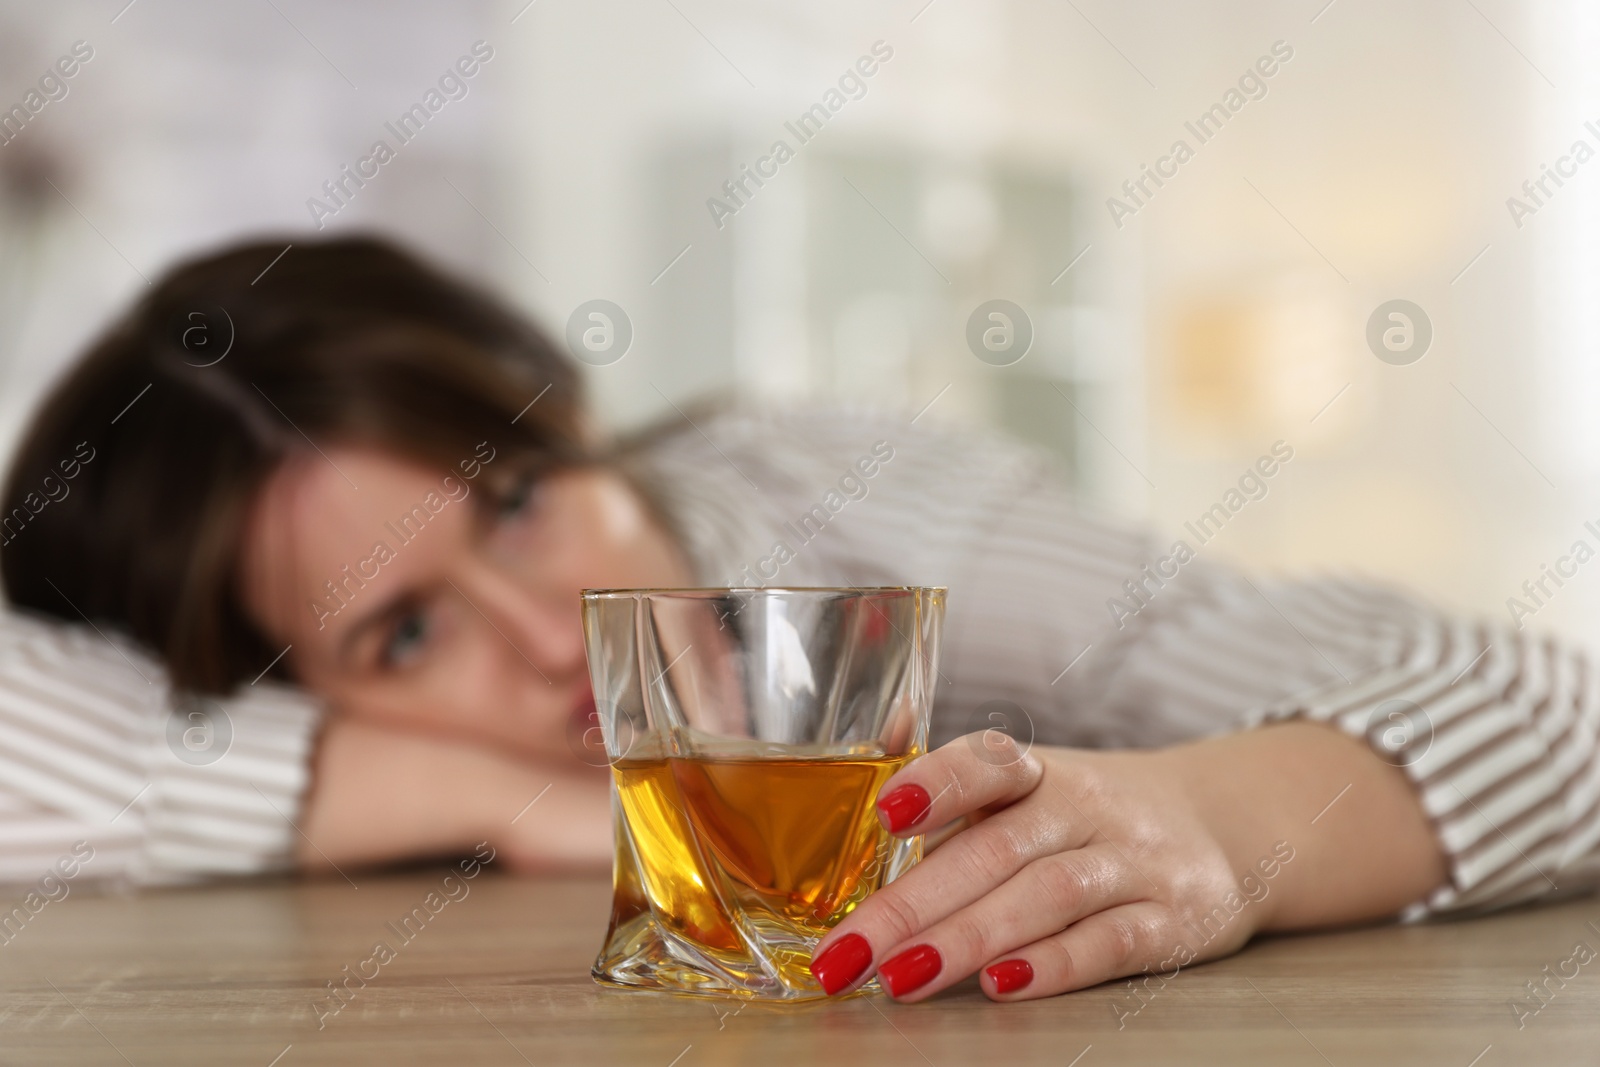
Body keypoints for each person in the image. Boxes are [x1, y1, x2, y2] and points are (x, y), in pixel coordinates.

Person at [1, 236, 1594, 1004]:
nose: (553, 633)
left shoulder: (866, 502)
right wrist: (494, 801)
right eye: (401, 636)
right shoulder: (223, 727)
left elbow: (1550, 704)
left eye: (513, 494)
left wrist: (1212, 822)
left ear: (582, 430)